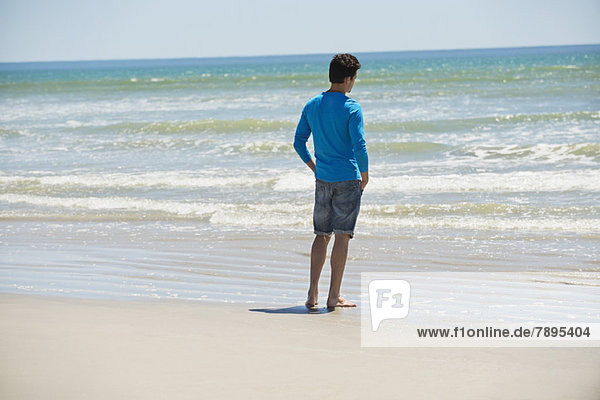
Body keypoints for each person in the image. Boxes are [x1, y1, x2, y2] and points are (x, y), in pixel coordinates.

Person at [293, 53, 369, 311]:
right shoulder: (351, 107)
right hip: (347, 177)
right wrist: (366, 173)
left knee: (321, 235)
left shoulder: (312, 104)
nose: (353, 84)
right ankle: (333, 296)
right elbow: (359, 144)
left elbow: (298, 142)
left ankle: (312, 294)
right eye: (354, 79)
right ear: (348, 79)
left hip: (322, 178)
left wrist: (314, 167)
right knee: (342, 237)